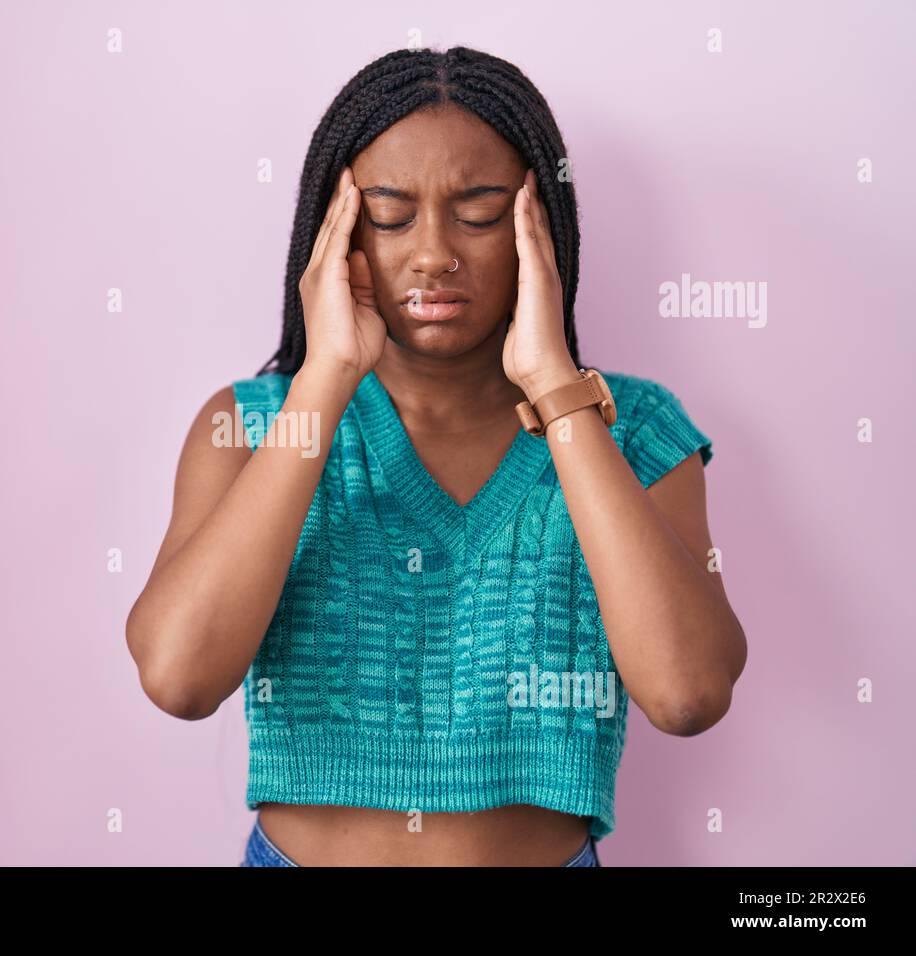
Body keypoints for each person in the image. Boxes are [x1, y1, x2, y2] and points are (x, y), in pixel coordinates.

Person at [126, 45, 747, 867]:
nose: (433, 253)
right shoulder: (247, 428)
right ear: (333, 232)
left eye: (482, 212)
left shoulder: (630, 429)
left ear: (541, 227)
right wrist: (326, 377)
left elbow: (688, 692)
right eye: (387, 214)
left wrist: (557, 389)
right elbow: (178, 677)